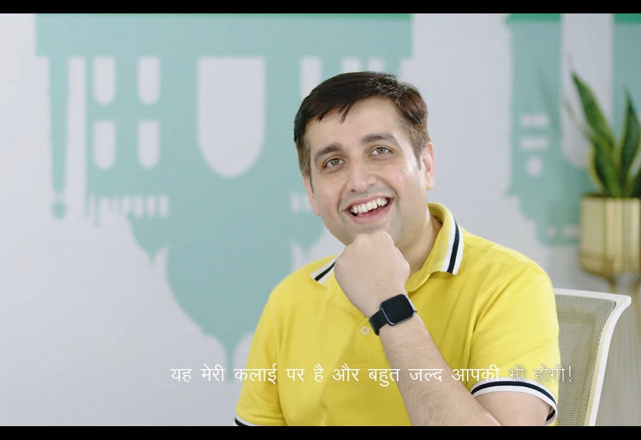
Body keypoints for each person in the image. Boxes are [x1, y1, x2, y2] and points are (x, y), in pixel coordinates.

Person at [234, 71, 560, 426]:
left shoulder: (512, 284)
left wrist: (388, 304)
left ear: (426, 165)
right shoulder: (290, 298)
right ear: (311, 192)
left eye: (380, 151)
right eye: (333, 162)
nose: (358, 181)